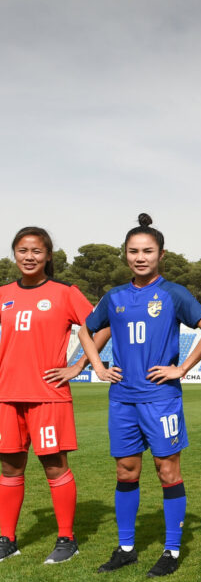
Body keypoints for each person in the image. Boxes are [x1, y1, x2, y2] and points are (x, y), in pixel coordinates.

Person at [78, 214, 201, 578]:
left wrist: (181, 369)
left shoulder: (173, 293)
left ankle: (171, 550)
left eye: (147, 251)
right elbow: (86, 331)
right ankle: (126, 548)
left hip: (160, 398)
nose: (140, 257)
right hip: (122, 398)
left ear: (161, 254)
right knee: (126, 470)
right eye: (134, 251)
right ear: (125, 255)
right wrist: (98, 368)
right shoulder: (114, 297)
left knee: (167, 470)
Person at [0, 227, 95, 564]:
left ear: (48, 256)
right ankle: (6, 540)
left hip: (47, 396)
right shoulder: (3, 294)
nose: (29, 257)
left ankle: (67, 539)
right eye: (23, 250)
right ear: (14, 254)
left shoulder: (64, 292)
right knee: (9, 466)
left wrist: (78, 365)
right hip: (7, 397)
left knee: (54, 466)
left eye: (37, 251)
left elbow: (99, 325)